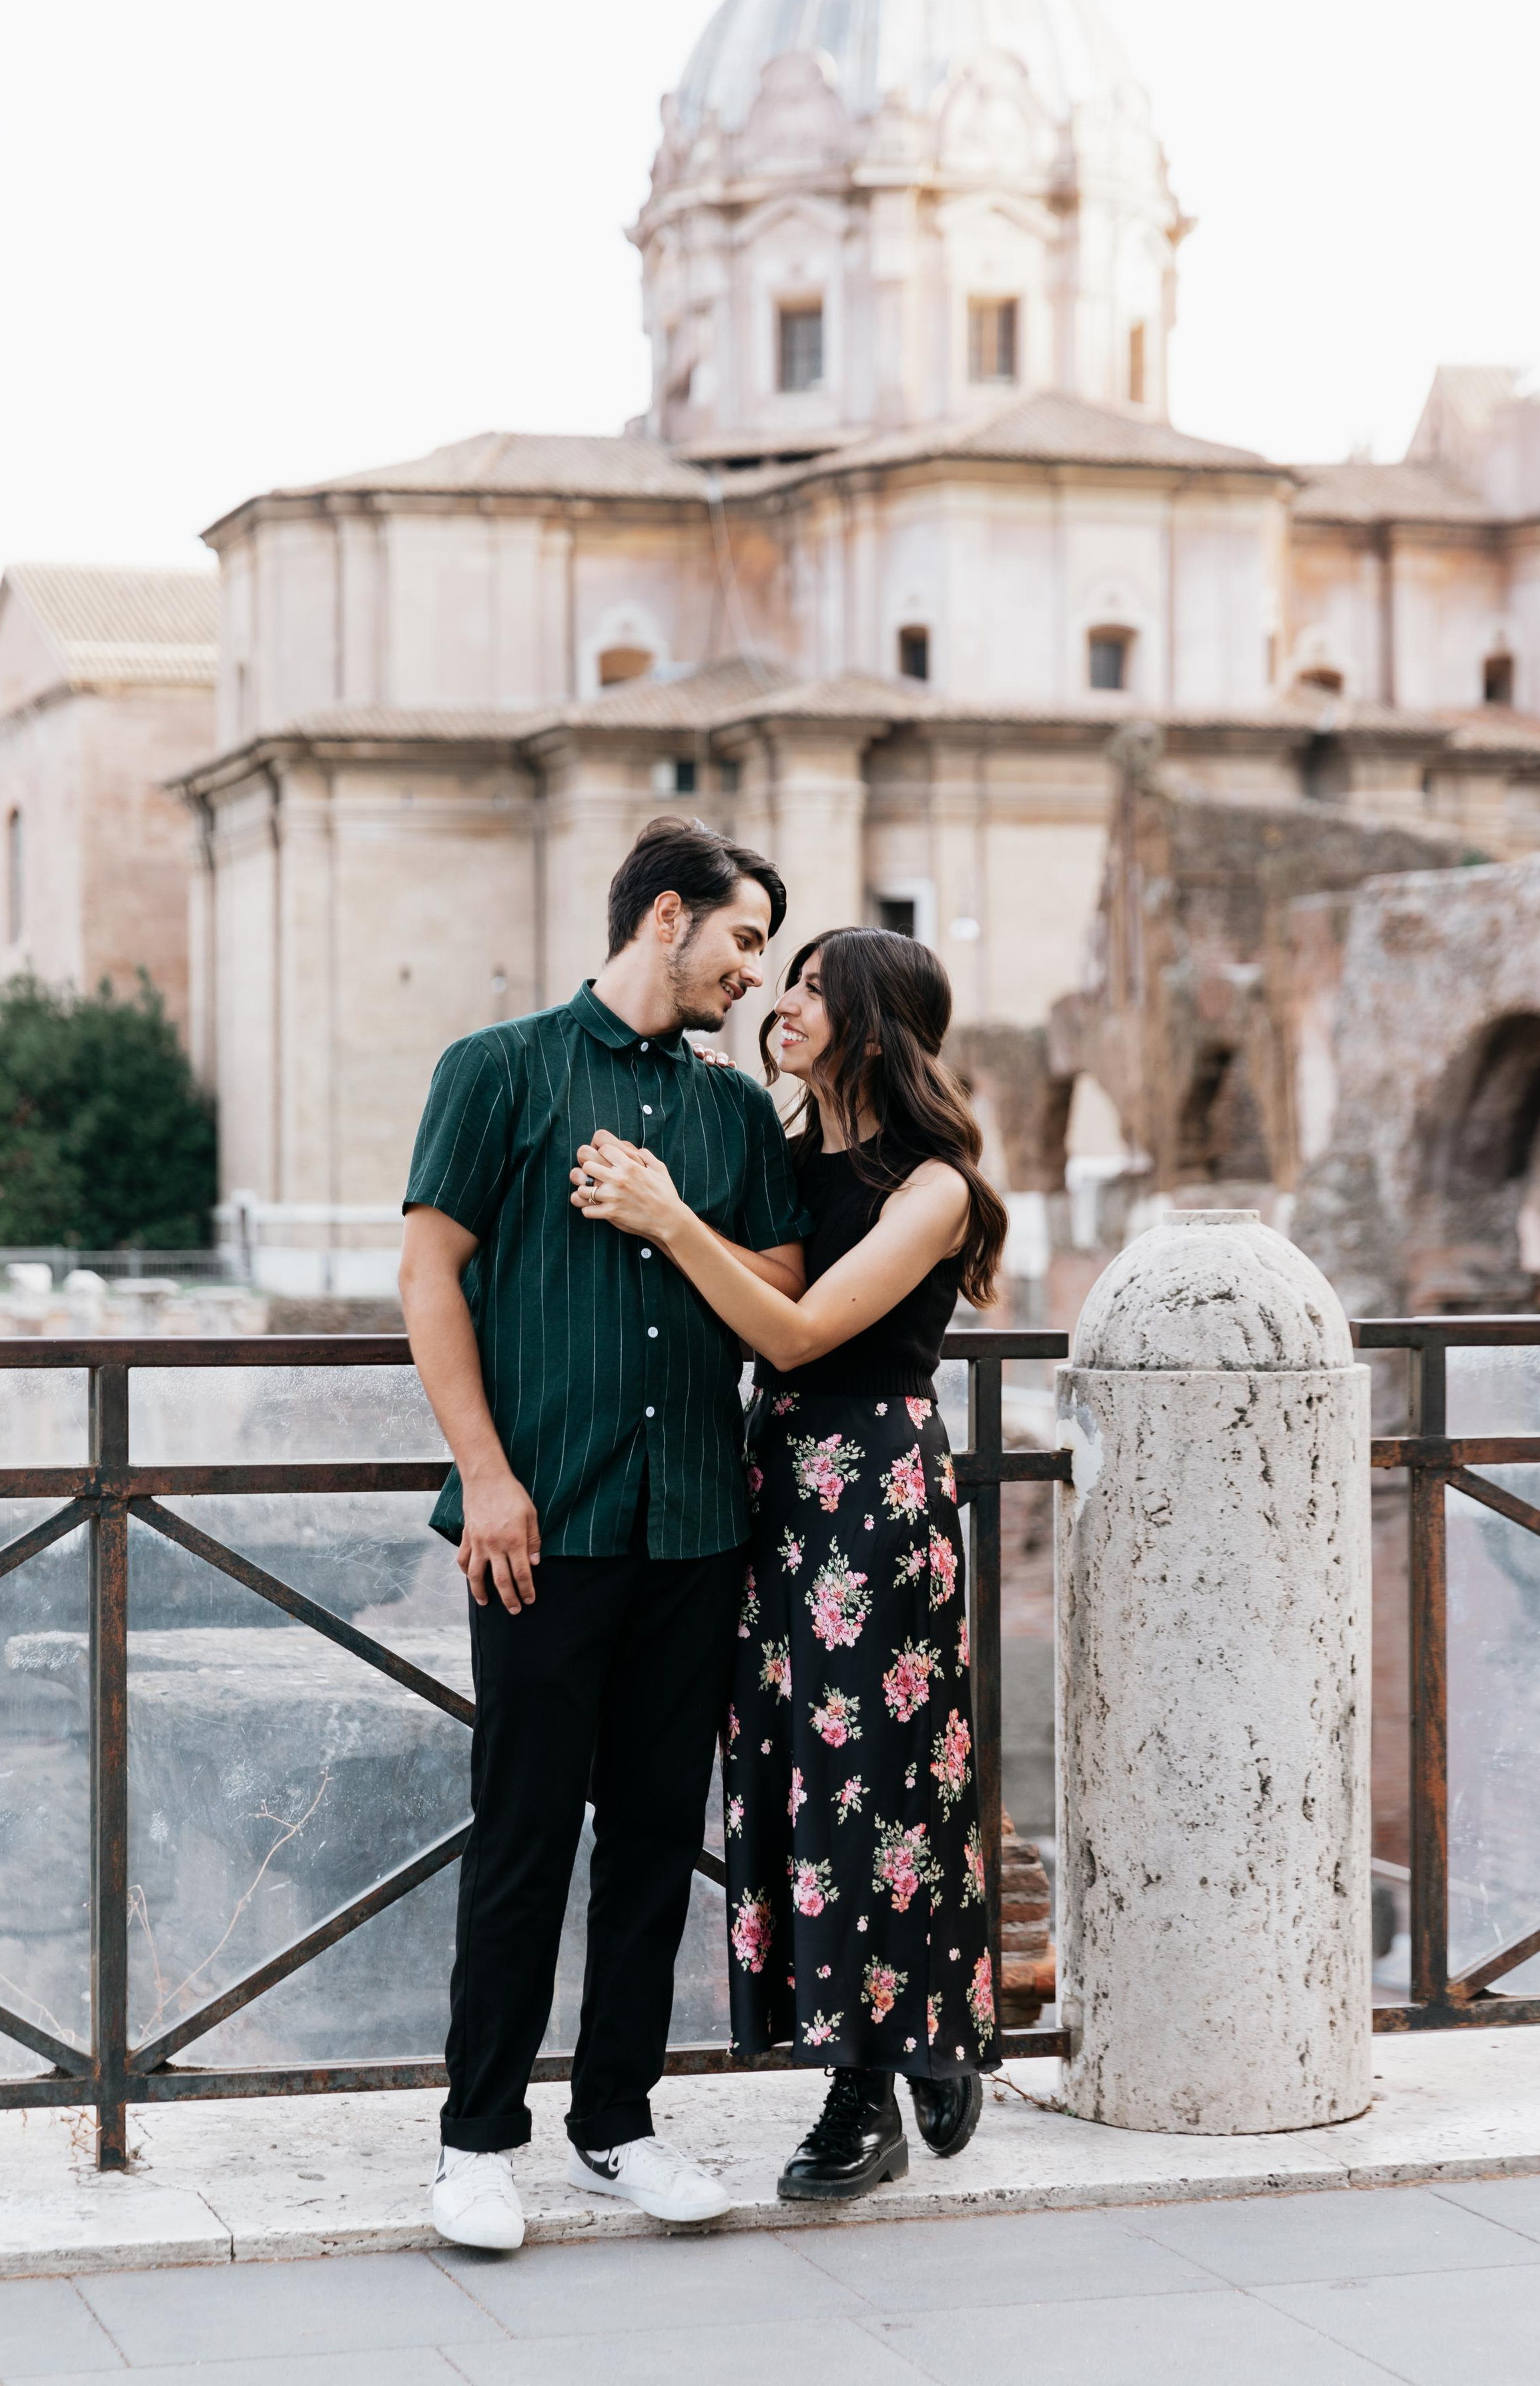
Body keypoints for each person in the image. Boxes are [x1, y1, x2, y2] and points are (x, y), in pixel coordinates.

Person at [400, 818, 811, 2251]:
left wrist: (670, 1216)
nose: (752, 975)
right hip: (542, 1525)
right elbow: (429, 1277)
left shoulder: (733, 1115)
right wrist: (486, 1475)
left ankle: (616, 2125)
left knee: (651, 1838)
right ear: (666, 919)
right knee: (521, 1831)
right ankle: (474, 2142)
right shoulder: (498, 1069)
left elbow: (780, 1284)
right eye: (743, 940)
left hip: (696, 1525)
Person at [572, 924, 1008, 2203]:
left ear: (876, 1024)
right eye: (789, 981)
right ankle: (909, 2037)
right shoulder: (773, 1145)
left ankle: (870, 2087)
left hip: (875, 1492)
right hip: (768, 1483)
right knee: (789, 1775)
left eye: (816, 987)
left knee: (880, 1777)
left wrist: (669, 1217)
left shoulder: (936, 1188)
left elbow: (803, 1331)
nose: (783, 1001)